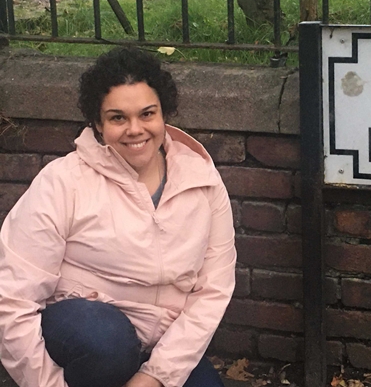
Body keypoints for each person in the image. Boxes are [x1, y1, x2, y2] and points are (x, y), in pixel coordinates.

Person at [0, 47, 236, 387]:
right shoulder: (63, 182)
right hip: (86, 335)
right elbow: (11, 298)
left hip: (158, 346)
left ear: (164, 114)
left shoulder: (203, 181)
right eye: (118, 118)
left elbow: (212, 292)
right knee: (107, 341)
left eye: (147, 114)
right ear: (98, 124)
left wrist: (155, 376)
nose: (135, 129)